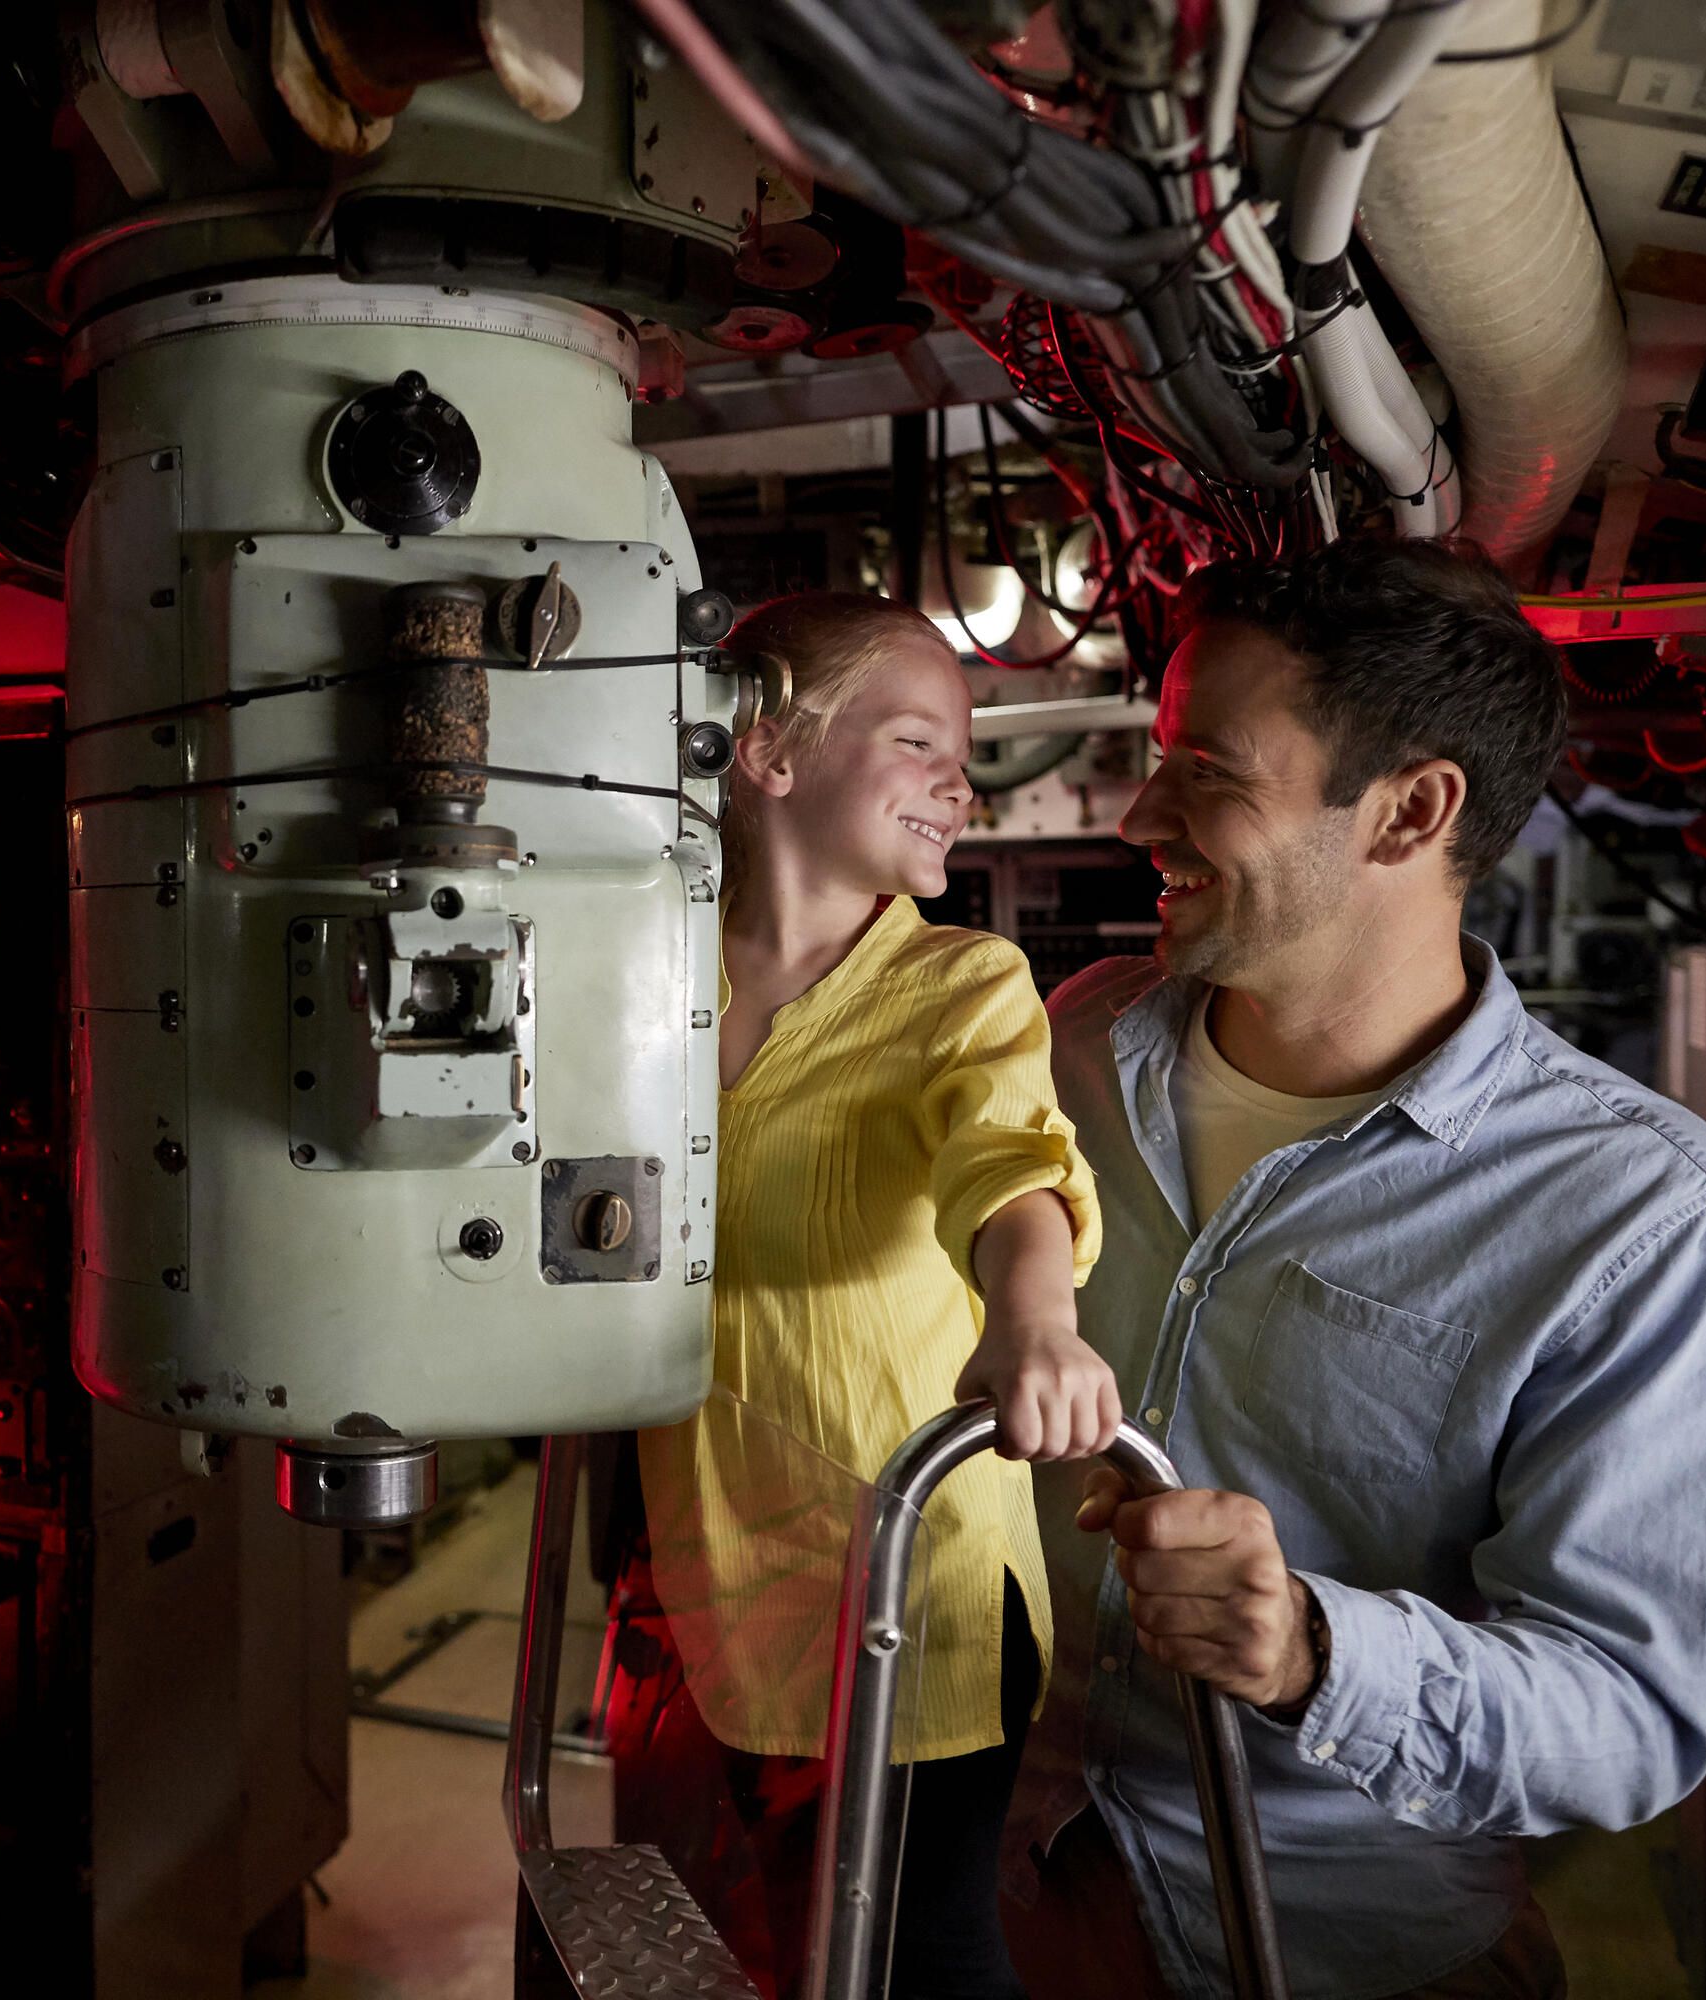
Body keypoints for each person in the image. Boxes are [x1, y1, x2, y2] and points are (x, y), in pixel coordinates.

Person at [1004, 538, 1706, 2000]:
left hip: (1323, 1953)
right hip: (998, 1882)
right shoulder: (1074, 1044)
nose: (1138, 813)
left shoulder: (1639, 1214)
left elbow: (1629, 1718)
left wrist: (1309, 1648)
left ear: (1410, 812)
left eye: (1210, 772)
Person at [635, 590, 1121, 1999]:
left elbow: (1011, 1170)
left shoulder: (961, 986)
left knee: (916, 1953)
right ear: (770, 750)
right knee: (808, 1937)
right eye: (920, 741)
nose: (961, 785)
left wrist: (1036, 1319)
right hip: (720, 1557)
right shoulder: (643, 972)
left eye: (961, 755)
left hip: (914, 1575)